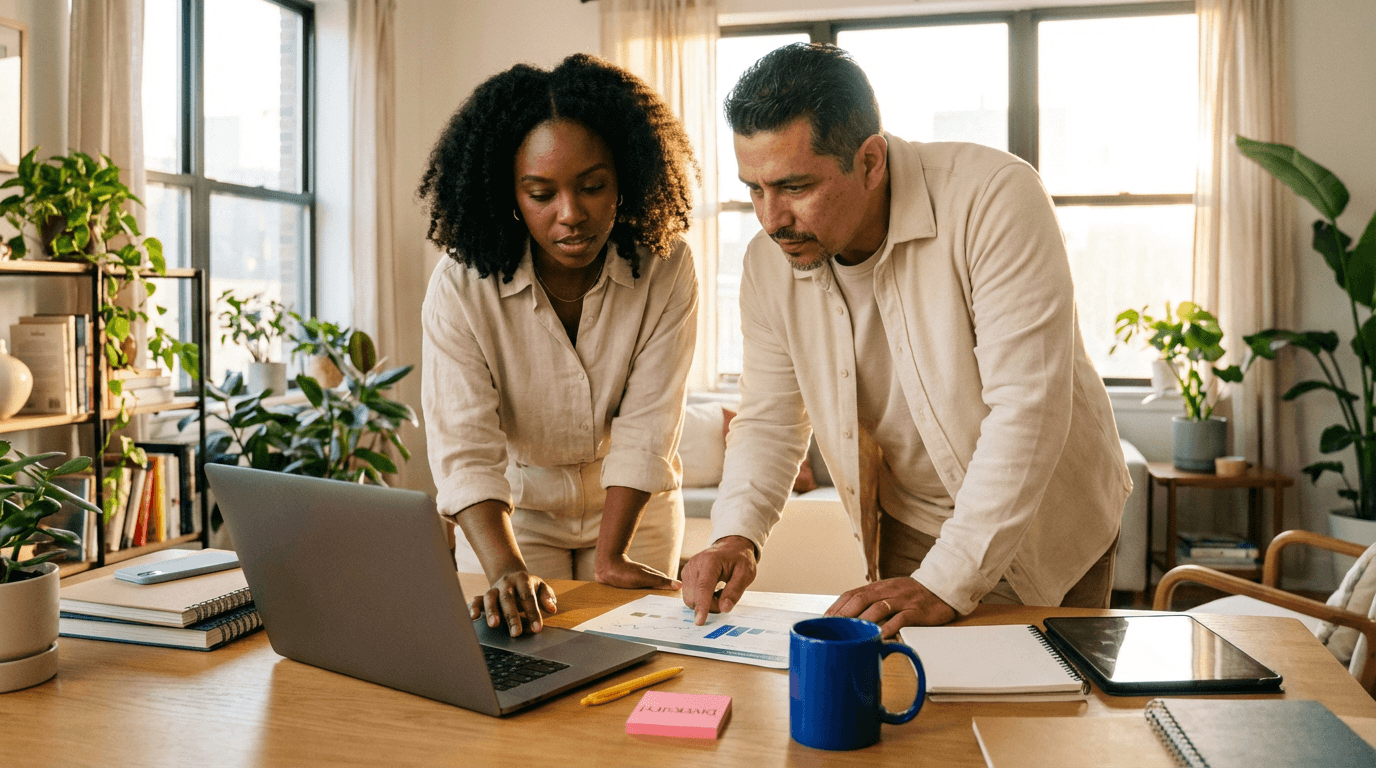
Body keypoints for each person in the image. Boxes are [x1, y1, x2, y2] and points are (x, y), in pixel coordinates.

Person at [681, 43, 1130, 636]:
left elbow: (1028, 407)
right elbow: (770, 419)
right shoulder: (768, 265)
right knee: (909, 694)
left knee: (1048, 694)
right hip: (912, 528)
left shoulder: (994, 197)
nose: (771, 219)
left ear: (870, 161)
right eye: (755, 189)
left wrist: (947, 580)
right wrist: (735, 534)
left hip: (1049, 523)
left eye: (795, 187)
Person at [418, 53, 699, 638]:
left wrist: (612, 555)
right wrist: (504, 568)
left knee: (637, 658)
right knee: (518, 658)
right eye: (541, 193)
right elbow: (465, 447)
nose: (571, 215)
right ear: (509, 194)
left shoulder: (666, 265)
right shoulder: (461, 284)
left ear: (626, 177)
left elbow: (649, 423)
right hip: (513, 513)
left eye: (593, 187)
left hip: (632, 509)